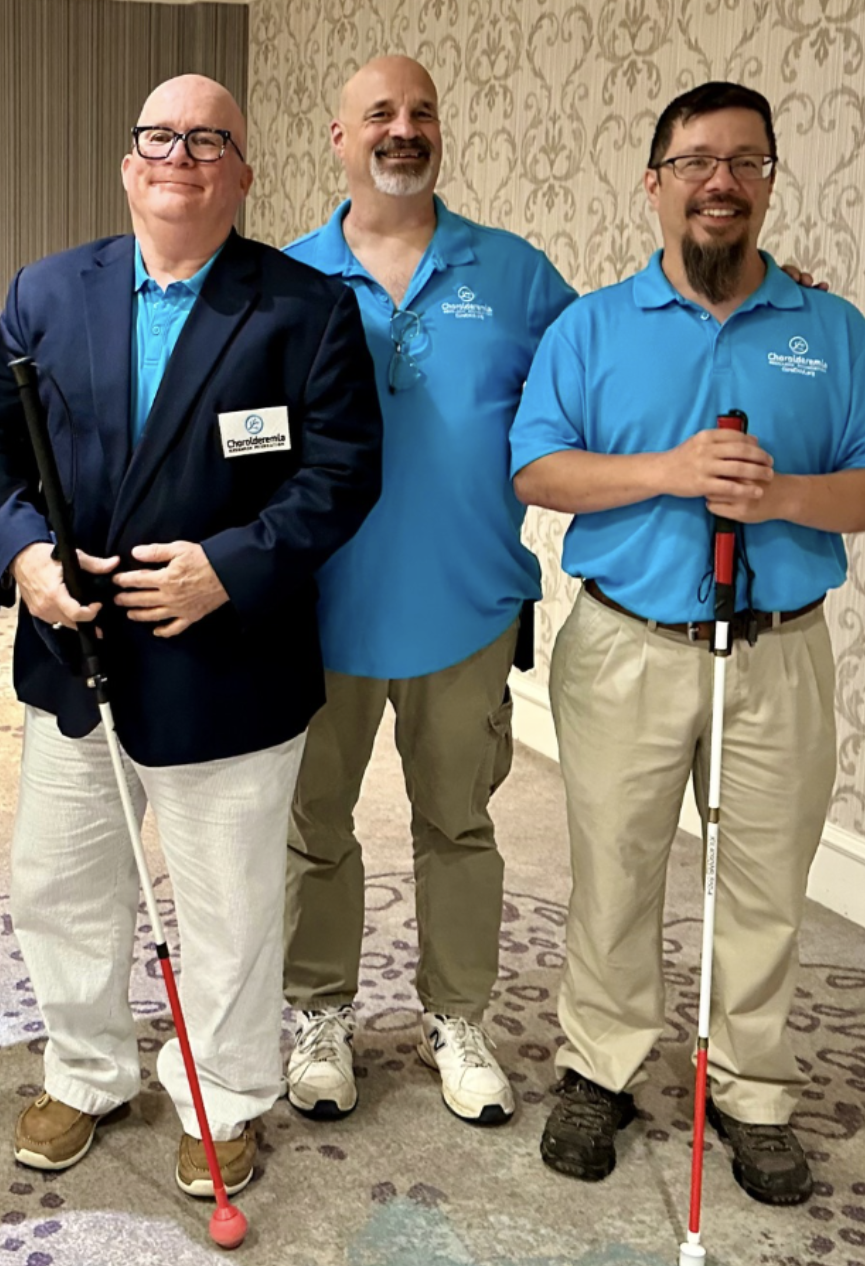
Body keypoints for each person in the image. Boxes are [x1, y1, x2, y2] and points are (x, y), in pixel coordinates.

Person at [510, 82, 865, 1203]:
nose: (719, 182)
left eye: (745, 162)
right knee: (616, 872)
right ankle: (603, 1066)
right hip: (627, 646)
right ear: (656, 182)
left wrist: (783, 501)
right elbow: (536, 468)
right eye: (695, 161)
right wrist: (669, 474)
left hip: (780, 651)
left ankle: (753, 1091)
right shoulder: (591, 326)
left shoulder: (830, 331)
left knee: (767, 881)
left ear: (768, 183)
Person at [0, 74, 382, 1196]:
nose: (181, 154)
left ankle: (222, 1094)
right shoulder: (41, 293)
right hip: (75, 660)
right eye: (159, 137)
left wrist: (231, 567)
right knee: (60, 888)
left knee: (230, 906)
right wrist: (23, 554)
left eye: (209, 140)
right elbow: (0, 459)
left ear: (244, 174)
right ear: (128, 164)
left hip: (232, 664)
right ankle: (83, 1068)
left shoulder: (305, 308)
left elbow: (343, 472)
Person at [281, 55, 577, 1126]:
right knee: (314, 826)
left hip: (467, 609)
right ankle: (317, 1011)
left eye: (422, 113)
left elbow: (615, 368)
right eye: (380, 115)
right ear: (339, 137)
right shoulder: (287, 279)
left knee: (458, 825)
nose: (404, 130)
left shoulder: (517, 274)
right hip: (318, 615)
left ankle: (458, 1015)